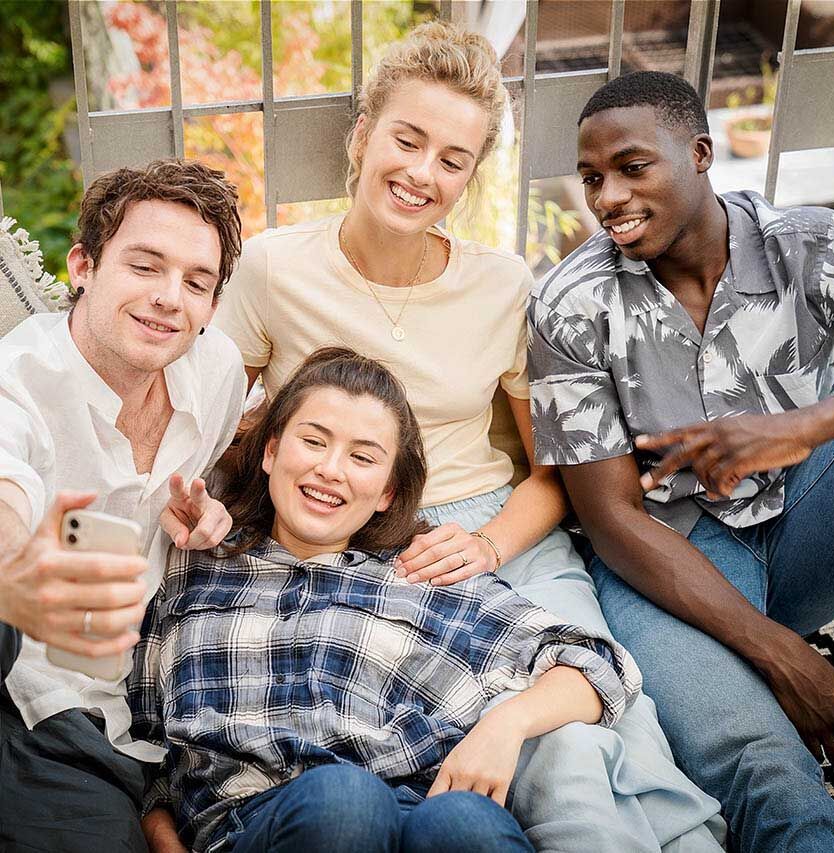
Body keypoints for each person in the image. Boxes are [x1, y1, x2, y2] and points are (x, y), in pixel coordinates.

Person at [215, 20, 725, 853]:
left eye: (451, 160)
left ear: (468, 178)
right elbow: (211, 424)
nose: (420, 173)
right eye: (406, 140)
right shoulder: (274, 268)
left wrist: (487, 545)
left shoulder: (502, 282)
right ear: (362, 135)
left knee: (589, 734)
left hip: (500, 527)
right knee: (488, 747)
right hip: (362, 532)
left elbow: (552, 469)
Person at [129, 346, 643, 853]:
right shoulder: (195, 569)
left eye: (362, 458)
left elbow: (598, 664)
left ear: (387, 493)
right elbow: (146, 748)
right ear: (270, 452)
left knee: (464, 822)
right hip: (257, 821)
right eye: (313, 441)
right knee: (345, 801)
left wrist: (505, 726)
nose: (332, 469)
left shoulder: (421, 578)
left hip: (417, 813)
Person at [527, 70, 834, 853]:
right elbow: (609, 520)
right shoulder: (569, 304)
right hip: (667, 561)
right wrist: (785, 659)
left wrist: (802, 428)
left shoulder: (806, 243)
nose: (605, 197)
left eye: (632, 167)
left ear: (700, 154)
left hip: (808, 516)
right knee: (764, 763)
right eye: (590, 178)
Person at [0, 160, 248, 853]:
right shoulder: (20, 379)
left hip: (165, 702)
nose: (171, 298)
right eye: (145, 266)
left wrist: (211, 508)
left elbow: (222, 462)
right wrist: (16, 570)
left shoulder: (217, 367)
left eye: (197, 282)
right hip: (42, 704)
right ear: (83, 265)